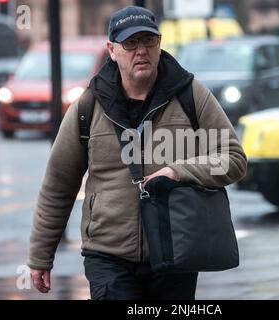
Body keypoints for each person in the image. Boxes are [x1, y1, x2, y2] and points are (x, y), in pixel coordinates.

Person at [28, 5, 247, 300]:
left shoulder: (191, 95)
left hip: (176, 252)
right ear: (112, 50)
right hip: (108, 255)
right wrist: (41, 255)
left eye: (148, 41)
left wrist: (178, 172)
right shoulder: (88, 106)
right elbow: (59, 182)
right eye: (130, 43)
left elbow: (233, 159)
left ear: (159, 45)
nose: (141, 51)